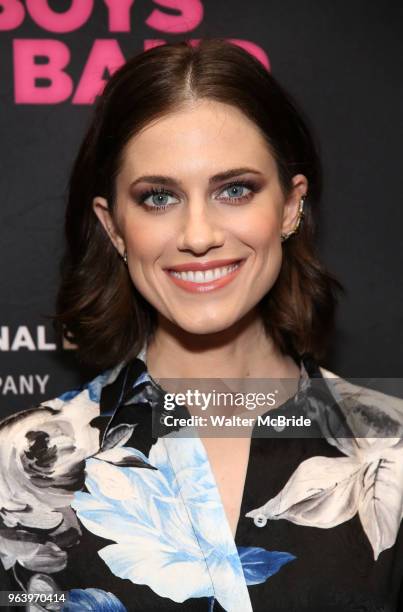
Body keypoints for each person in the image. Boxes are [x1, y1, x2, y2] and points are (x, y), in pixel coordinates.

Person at [0, 38, 402, 612]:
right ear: (114, 228)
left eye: (234, 190)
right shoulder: (13, 473)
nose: (197, 234)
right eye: (158, 197)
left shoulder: (394, 448)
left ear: (290, 207)